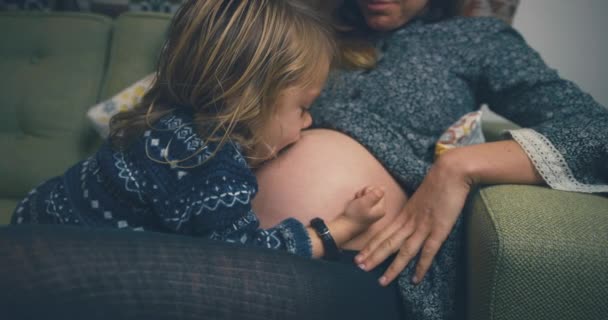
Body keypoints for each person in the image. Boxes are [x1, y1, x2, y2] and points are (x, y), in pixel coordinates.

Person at [2, 0, 606, 319]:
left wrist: (461, 167)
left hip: (344, 268)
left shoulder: (477, 42)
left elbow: (596, 132)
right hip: (198, 240)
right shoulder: (303, 27)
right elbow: (193, 92)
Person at [10, 0, 388, 259]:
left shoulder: (165, 121)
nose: (308, 122)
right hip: (56, 259)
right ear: (249, 99)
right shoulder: (208, 165)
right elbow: (252, 256)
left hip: (34, 217)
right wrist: (341, 227)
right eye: (303, 108)